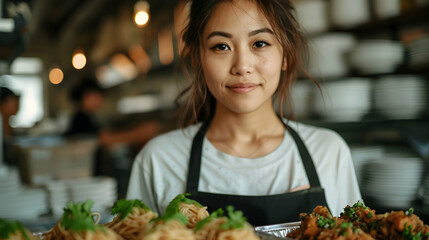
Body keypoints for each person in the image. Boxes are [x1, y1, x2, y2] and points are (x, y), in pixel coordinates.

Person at [126, 0, 362, 226]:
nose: (242, 66)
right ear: (198, 59)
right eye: (221, 46)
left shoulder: (328, 152)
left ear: (286, 55)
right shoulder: (159, 160)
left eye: (260, 43)